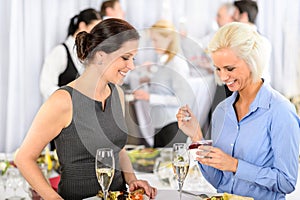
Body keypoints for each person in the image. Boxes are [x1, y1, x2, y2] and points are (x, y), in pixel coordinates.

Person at [15, 18, 157, 200]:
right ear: (100, 56)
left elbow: (117, 148)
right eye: (125, 57)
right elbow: (24, 158)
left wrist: (131, 179)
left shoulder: (117, 94)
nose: (132, 66)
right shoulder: (63, 100)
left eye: (133, 58)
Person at [176, 22, 300, 200]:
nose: (223, 77)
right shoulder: (222, 110)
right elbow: (218, 181)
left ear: (252, 61)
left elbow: (286, 182)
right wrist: (197, 137)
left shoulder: (280, 111)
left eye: (230, 68)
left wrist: (235, 165)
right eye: (218, 69)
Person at [133, 19, 193, 147]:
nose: (153, 45)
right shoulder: (163, 61)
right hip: (160, 124)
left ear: (169, 39)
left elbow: (182, 99)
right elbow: (165, 85)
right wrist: (150, 80)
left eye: (156, 40)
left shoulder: (177, 64)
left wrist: (150, 97)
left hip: (172, 125)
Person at [40, 8, 101, 102]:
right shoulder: (60, 52)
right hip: (63, 112)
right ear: (82, 26)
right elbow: (46, 87)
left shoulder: (91, 54)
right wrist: (70, 98)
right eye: (94, 29)